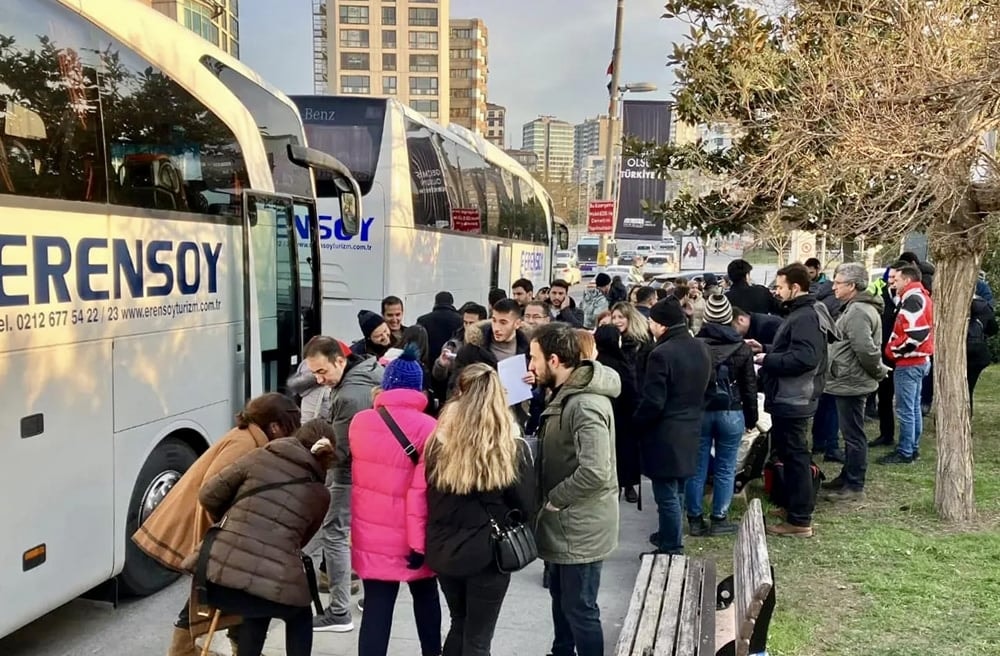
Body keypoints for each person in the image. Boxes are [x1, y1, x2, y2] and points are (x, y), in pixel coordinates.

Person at [133, 393, 303, 656]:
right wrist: (233, 526)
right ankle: (182, 651)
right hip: (212, 530)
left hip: (217, 531)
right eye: (291, 425)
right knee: (211, 593)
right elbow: (211, 489)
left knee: (234, 593)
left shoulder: (248, 438)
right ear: (275, 426)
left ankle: (235, 647)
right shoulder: (246, 444)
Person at [181, 419, 336, 656]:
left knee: (256, 605)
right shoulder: (320, 494)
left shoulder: (258, 457)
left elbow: (208, 494)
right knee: (298, 613)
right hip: (264, 585)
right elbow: (300, 541)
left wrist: (235, 523)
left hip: (215, 579)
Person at [418, 364, 536, 656]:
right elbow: (527, 505)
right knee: (479, 638)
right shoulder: (511, 447)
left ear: (458, 394)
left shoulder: (437, 444)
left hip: (444, 549)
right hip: (488, 554)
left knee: (459, 622)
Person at [529, 323, 620, 656]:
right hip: (567, 526)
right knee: (563, 601)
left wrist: (555, 499)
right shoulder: (565, 395)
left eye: (533, 358)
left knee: (580, 608)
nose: (530, 366)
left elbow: (596, 470)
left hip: (579, 527)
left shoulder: (583, 404)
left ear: (554, 360)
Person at [348, 345, 442, 656]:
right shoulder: (430, 428)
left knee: (376, 607)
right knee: (426, 598)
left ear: (386, 385)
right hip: (413, 535)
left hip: (371, 535)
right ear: (418, 388)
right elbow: (424, 489)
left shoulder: (359, 423)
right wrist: (419, 544)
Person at [303, 336, 385, 633]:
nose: (318, 379)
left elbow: (338, 452)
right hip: (377, 471)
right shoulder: (371, 369)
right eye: (314, 372)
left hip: (350, 474)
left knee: (334, 533)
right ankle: (373, 597)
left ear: (340, 360)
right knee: (366, 532)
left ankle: (339, 611)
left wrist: (314, 452)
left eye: (322, 372)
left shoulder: (348, 396)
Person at [755, 264, 836, 538]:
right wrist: (765, 349)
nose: (776, 292)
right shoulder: (805, 312)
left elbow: (805, 358)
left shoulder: (804, 316)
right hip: (793, 395)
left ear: (795, 287)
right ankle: (793, 506)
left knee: (796, 456)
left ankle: (800, 519)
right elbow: (794, 348)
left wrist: (768, 359)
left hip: (795, 397)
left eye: (780, 287)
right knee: (790, 455)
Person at [633, 298, 712, 553]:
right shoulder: (700, 347)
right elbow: (710, 390)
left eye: (651, 322)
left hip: (665, 432)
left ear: (661, 326)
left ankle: (671, 545)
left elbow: (654, 400)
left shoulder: (661, 354)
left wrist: (637, 422)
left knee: (665, 493)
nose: (649, 326)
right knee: (677, 489)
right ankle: (669, 533)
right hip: (691, 426)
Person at [688, 294, 757, 535]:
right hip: (732, 410)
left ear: (706, 318)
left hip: (700, 411)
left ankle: (695, 518)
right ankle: (719, 518)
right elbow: (749, 387)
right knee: (726, 467)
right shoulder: (742, 348)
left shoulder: (695, 346)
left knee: (696, 467)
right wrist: (752, 418)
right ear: (729, 318)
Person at [822, 263, 889, 500]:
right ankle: (847, 476)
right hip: (847, 379)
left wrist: (879, 371)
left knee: (853, 435)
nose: (833, 287)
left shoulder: (859, 311)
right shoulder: (854, 307)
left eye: (838, 283)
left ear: (852, 286)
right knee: (850, 432)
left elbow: (866, 350)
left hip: (852, 381)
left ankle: (854, 485)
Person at [879, 264, 934, 465]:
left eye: (898, 279)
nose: (894, 282)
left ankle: (905, 451)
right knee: (912, 408)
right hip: (916, 361)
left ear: (908, 280)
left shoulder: (913, 298)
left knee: (905, 409)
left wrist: (894, 350)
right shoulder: (917, 296)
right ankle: (912, 447)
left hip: (909, 362)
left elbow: (917, 334)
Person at [594, 325, 641, 504]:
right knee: (625, 453)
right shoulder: (621, 363)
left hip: (603, 416)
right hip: (622, 417)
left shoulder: (596, 363)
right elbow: (631, 390)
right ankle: (628, 486)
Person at [967, 291, 998, 412]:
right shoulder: (983, 305)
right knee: (969, 387)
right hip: (979, 352)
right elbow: (993, 329)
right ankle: (966, 416)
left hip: (961, 350)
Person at [416, 291, 464, 363]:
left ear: (435, 302)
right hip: (450, 361)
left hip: (428, 361)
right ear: (452, 302)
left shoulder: (423, 320)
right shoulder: (460, 320)